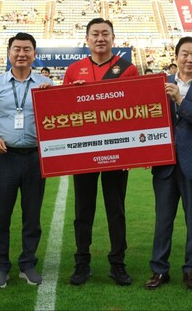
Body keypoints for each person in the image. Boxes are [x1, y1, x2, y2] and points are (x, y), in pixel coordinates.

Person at [63, 18, 139, 286]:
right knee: (83, 210)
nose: (100, 38)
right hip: (85, 152)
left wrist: (133, 152)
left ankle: (117, 263)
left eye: (105, 34)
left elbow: (136, 111)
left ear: (113, 38)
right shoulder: (74, 70)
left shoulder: (128, 70)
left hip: (116, 153)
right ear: (87, 39)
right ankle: (82, 263)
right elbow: (63, 112)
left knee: (115, 209)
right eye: (95, 34)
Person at [0, 33, 52, 289]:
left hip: (34, 158)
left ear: (34, 54)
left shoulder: (45, 83)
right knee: (1, 215)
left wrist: (52, 96)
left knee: (32, 215)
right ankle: (0, 266)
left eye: (27, 50)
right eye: (17, 49)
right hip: (5, 158)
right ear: (9, 53)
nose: (22, 54)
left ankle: (28, 264)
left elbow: (58, 118)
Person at [145, 37, 192, 291]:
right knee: (163, 219)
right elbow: (144, 118)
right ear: (175, 56)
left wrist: (180, 102)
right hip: (164, 163)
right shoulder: (158, 84)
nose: (190, 59)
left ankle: (191, 270)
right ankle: (159, 270)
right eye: (185, 53)